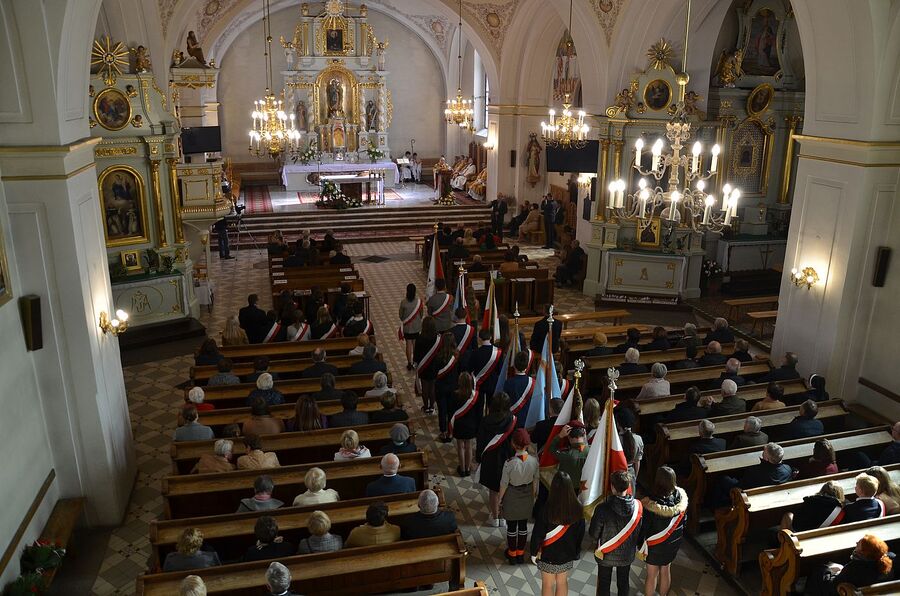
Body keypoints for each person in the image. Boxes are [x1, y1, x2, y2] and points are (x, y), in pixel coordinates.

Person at [529, 471, 586, 594]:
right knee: (562, 582)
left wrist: (533, 551)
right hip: (567, 553)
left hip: (548, 554)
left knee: (548, 584)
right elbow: (580, 534)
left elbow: (537, 534)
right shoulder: (579, 509)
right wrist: (576, 551)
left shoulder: (545, 509)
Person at [590, 470, 643, 596]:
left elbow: (593, 533)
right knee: (623, 583)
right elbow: (640, 532)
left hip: (605, 554)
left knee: (603, 584)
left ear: (612, 487)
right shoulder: (637, 507)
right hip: (626, 553)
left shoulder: (602, 508)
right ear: (628, 486)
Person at [640, 467, 688, 596]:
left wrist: (640, 544)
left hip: (655, 546)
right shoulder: (680, 499)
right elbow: (684, 522)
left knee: (651, 575)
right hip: (672, 543)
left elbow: (644, 527)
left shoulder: (650, 503)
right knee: (666, 570)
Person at [499, 429, 539, 564]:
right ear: (527, 445)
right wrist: (533, 496)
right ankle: (521, 554)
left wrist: (500, 499)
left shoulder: (509, 463)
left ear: (513, 444)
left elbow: (504, 484)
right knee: (523, 526)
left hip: (512, 495)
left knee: (511, 527)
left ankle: (512, 554)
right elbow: (535, 480)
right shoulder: (534, 461)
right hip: (527, 494)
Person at [476, 392, 516, 527]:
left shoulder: (485, 420)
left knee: (493, 490)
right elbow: (515, 442)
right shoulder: (512, 420)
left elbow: (480, 441)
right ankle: (503, 517)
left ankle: (495, 518)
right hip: (507, 459)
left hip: (491, 459)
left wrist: (478, 457)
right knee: (505, 489)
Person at [805, 534, 894, 595]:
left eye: (859, 544)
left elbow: (834, 587)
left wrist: (828, 572)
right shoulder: (888, 559)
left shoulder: (855, 568)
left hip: (842, 591)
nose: (856, 543)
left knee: (819, 571)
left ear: (863, 552)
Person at [451, 372, 482, 477]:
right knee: (469, 446)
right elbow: (479, 413)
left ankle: (462, 469)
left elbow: (451, 412)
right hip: (471, 425)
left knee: (460, 447)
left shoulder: (454, 395)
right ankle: (468, 468)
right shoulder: (476, 396)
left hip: (459, 425)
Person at [414, 316, 441, 415]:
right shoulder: (438, 338)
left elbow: (416, 353)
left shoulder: (420, 338)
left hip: (423, 366)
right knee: (433, 387)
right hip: (434, 366)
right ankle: (432, 407)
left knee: (425, 387)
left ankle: (425, 407)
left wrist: (416, 362)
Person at [399, 283, 424, 370]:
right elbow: (421, 314)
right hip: (416, 327)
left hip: (407, 328)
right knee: (415, 345)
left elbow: (401, 316)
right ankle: (415, 362)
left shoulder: (403, 302)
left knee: (408, 345)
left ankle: (409, 363)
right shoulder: (419, 302)